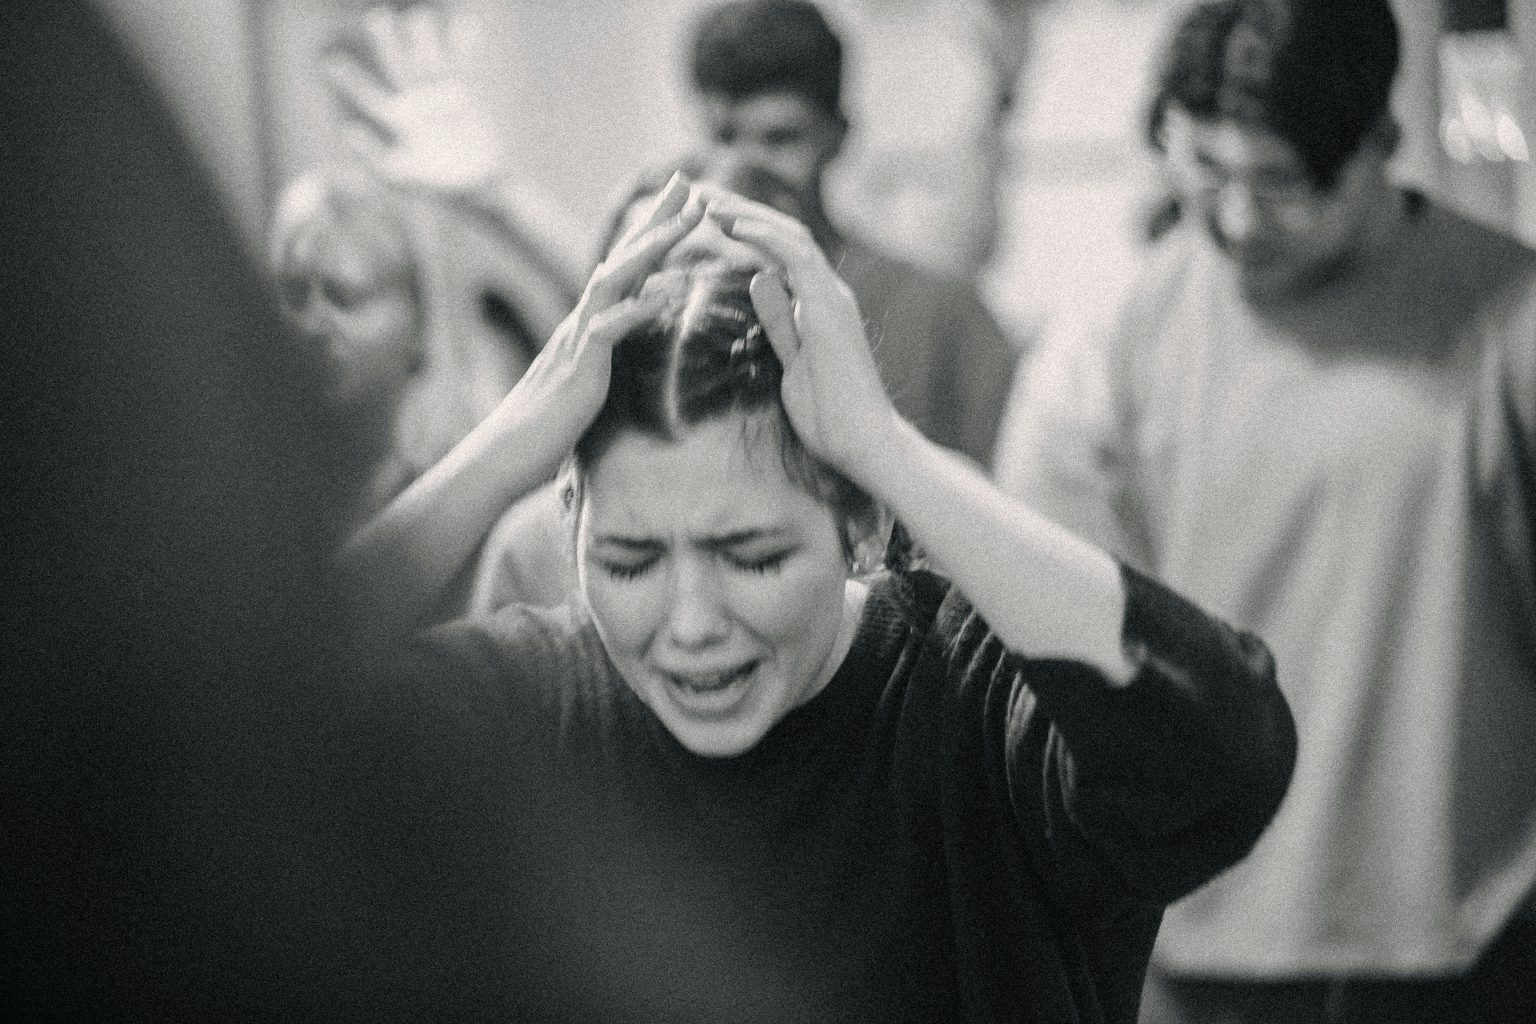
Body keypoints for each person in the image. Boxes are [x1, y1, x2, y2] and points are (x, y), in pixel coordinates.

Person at [338, 169, 1296, 1022]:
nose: (691, 626)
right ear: (569, 519)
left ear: (858, 527)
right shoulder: (530, 711)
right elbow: (259, 727)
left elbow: (1224, 755)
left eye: (752, 558)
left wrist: (887, 450)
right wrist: (505, 446)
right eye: (631, 562)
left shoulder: (973, 708)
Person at [993, 2, 1536, 1021]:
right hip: (1192, 938)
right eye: (1206, 170)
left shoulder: (1505, 318)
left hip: (1465, 938)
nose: (1239, 219)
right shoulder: (1117, 337)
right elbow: (1066, 658)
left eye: (1281, 184)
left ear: (1379, 145)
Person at [686, 0, 1020, 467]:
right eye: (726, 138)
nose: (748, 167)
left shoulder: (944, 319)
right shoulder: (679, 313)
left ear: (838, 136)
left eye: (780, 138)